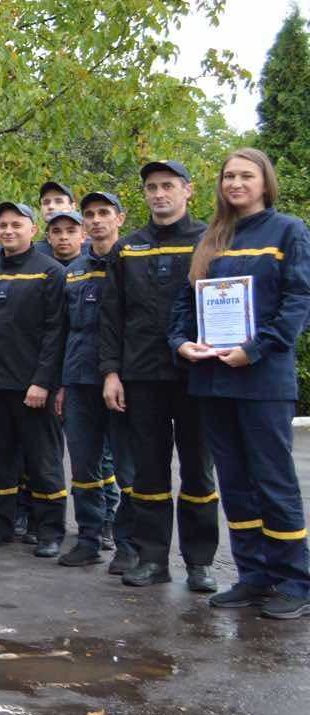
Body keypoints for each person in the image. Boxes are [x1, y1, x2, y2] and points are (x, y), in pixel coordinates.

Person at [171, 149, 310, 618]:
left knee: (273, 481)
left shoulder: (288, 231)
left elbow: (297, 302)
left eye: (246, 175)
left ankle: (295, 580)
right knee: (234, 483)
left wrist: (254, 349)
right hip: (212, 380)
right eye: (229, 176)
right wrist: (181, 343)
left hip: (263, 380)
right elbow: (185, 307)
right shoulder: (213, 236)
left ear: (265, 182)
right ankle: (253, 575)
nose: (235, 183)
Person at [101, 160, 219, 591]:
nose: (159, 194)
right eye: (151, 187)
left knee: (198, 472)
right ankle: (152, 560)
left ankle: (200, 563)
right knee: (148, 473)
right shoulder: (127, 249)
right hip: (141, 377)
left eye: (168, 186)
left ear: (188, 190)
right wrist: (111, 373)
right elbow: (111, 317)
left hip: (198, 375)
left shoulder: (211, 239)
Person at [0, 203, 68, 553]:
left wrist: (43, 381)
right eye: (4, 225)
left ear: (33, 230)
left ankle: (51, 531)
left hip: (33, 387)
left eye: (17, 225)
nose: (9, 231)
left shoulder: (50, 272)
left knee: (43, 462)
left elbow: (56, 333)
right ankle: (0, 525)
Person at [58, 190, 136, 568]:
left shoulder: (133, 262)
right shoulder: (73, 271)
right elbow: (61, 331)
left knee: (128, 469)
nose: (96, 220)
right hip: (78, 381)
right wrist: (59, 383)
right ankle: (88, 539)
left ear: (120, 218)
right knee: (84, 468)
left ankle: (128, 546)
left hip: (123, 382)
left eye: (104, 212)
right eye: (89, 214)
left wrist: (117, 373)